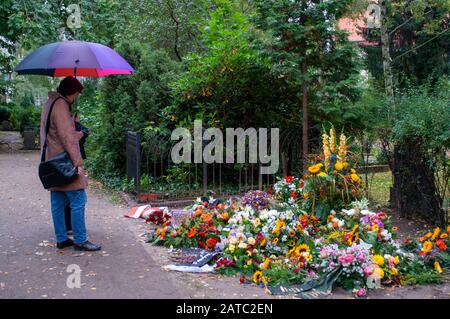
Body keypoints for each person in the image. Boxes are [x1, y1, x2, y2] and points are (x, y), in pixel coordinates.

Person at [40, 76, 101, 251]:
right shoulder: (60, 105)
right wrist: (78, 162)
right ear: (72, 92)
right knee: (78, 198)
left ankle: (61, 238)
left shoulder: (49, 103)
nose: (76, 98)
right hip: (64, 162)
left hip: (51, 160)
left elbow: (52, 133)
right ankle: (80, 240)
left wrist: (70, 123)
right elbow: (67, 137)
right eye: (76, 94)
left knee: (58, 200)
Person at [65, 112, 89, 234]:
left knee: (65, 198)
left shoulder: (75, 125)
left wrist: (80, 134)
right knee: (76, 197)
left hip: (69, 161)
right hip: (70, 162)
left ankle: (68, 227)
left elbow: (86, 131)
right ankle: (73, 228)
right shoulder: (68, 125)